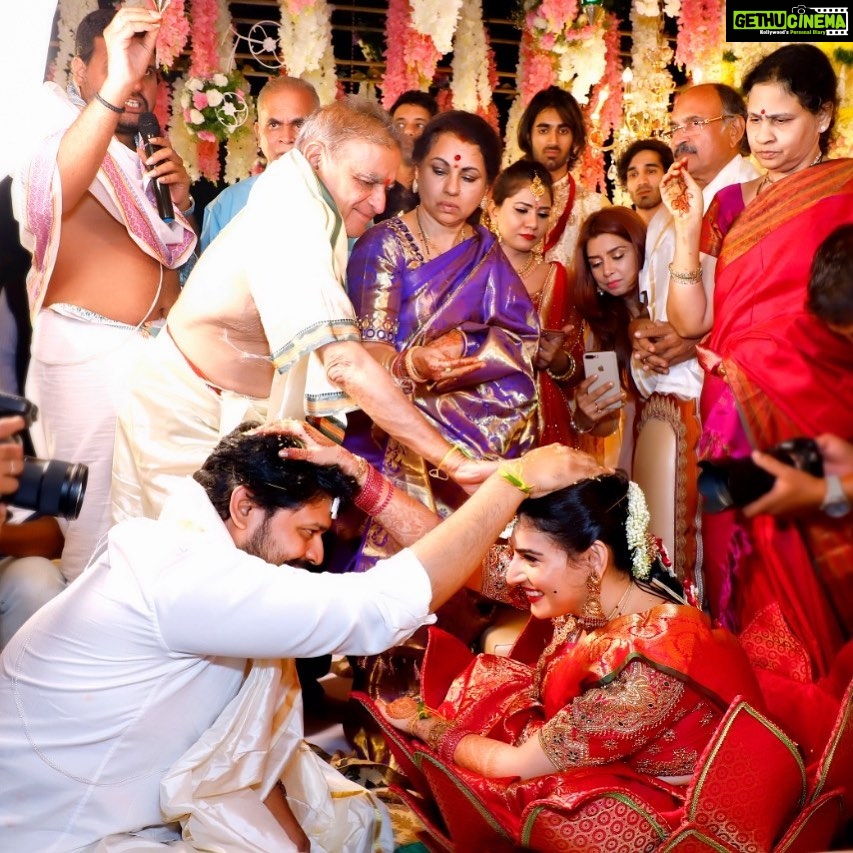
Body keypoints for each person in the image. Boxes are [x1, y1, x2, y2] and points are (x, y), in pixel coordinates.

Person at [0, 420, 595, 851]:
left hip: (112, 803)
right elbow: (376, 607)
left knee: (357, 825)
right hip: (62, 830)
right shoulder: (185, 577)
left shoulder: (181, 552)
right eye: (309, 531)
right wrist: (514, 478)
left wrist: (361, 475)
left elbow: (245, 748)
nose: (314, 556)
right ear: (242, 507)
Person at [112, 97, 495, 527]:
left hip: (236, 416)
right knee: (184, 570)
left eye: (386, 187)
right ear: (316, 157)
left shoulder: (314, 207)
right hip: (183, 412)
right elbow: (344, 363)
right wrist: (453, 461)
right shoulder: (292, 212)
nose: (379, 201)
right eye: (367, 182)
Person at [368, 474, 763, 848]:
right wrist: (361, 481)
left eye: (530, 558)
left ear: (594, 558)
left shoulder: (642, 672)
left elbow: (514, 766)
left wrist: (423, 723)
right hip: (582, 752)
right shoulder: (605, 587)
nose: (511, 575)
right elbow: (462, 559)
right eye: (513, 555)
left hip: (645, 818)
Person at [661, 45, 853, 701]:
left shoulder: (847, 191)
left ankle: (820, 724)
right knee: (732, 566)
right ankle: (748, 730)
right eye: (757, 122)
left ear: (823, 115)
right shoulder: (727, 206)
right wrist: (686, 232)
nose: (765, 138)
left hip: (818, 407)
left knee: (812, 575)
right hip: (726, 412)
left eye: (784, 120)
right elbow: (689, 323)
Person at [12, 7, 197, 582]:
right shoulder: (51, 125)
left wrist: (182, 200)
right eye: (120, 64)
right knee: (95, 545)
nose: (139, 82)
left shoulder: (139, 147)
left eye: (147, 69)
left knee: (158, 538)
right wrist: (116, 91)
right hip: (90, 354)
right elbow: (54, 197)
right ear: (81, 68)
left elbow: (159, 252)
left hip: (157, 357)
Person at [345, 110, 539, 571]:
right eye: (439, 171)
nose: (452, 189)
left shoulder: (486, 251)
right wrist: (416, 365)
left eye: (469, 176)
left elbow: (521, 341)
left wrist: (467, 347)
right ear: (414, 172)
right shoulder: (382, 245)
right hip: (385, 432)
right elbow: (365, 356)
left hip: (472, 437)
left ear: (488, 188)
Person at [629, 84, 758, 591]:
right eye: (675, 126)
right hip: (662, 397)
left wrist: (694, 336)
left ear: (734, 128)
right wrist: (642, 334)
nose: (680, 137)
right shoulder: (668, 208)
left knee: (719, 555)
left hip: (723, 402)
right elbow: (650, 302)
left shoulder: (753, 195)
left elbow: (755, 303)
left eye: (693, 124)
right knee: (661, 544)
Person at [487, 159, 586, 448]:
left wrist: (555, 360)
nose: (533, 223)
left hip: (542, 418)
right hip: (478, 413)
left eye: (543, 214)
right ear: (493, 209)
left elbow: (576, 366)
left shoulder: (556, 277)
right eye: (521, 210)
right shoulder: (470, 270)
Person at [200, 76, 320, 251]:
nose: (286, 138)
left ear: (319, 130)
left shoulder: (343, 202)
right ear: (258, 133)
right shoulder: (226, 205)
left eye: (299, 124)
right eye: (274, 125)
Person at [571, 207, 645, 472]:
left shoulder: (671, 306)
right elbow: (609, 424)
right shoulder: (601, 329)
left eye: (617, 256)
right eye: (596, 264)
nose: (608, 271)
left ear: (640, 248)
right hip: (638, 449)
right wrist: (585, 416)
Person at [517, 86, 608, 275]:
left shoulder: (595, 208)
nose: (553, 141)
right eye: (543, 130)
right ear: (528, 135)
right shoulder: (500, 204)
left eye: (563, 131)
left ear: (575, 140)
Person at [375, 89, 439, 223]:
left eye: (419, 125)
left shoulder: (438, 189)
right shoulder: (372, 182)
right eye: (400, 124)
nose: (409, 131)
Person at [616, 138, 673, 226]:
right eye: (633, 175)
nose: (642, 182)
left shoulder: (684, 227)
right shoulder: (620, 234)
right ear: (625, 183)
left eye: (651, 171)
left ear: (668, 175)